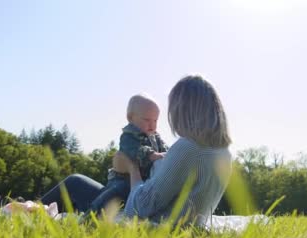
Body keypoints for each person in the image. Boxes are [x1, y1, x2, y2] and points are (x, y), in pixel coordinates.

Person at [40, 75, 232, 227]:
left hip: (148, 221)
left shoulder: (188, 148)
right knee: (79, 182)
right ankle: (33, 208)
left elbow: (140, 206)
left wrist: (132, 169)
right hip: (179, 221)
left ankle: (30, 209)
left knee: (74, 183)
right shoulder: (224, 154)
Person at [87, 94, 168, 214]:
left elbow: (165, 150)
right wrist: (152, 155)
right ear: (131, 118)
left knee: (122, 199)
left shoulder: (155, 136)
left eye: (155, 120)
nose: (152, 125)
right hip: (122, 178)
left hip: (140, 182)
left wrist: (168, 154)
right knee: (115, 193)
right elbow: (134, 149)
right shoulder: (129, 135)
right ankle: (91, 213)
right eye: (147, 120)